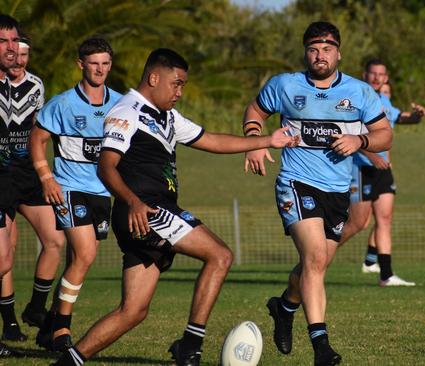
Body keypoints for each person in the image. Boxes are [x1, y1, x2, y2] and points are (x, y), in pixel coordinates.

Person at [51, 47, 298, 366]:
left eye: (182, 84)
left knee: (133, 312)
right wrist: (133, 201)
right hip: (146, 211)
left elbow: (212, 141)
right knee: (220, 255)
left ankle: (69, 361)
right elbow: (106, 166)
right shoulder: (127, 113)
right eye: (176, 83)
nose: (180, 91)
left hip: (149, 212)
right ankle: (190, 347)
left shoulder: (166, 117)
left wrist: (267, 141)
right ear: (154, 77)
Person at [243, 22, 392, 366]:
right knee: (314, 258)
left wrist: (360, 141)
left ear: (338, 53)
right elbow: (255, 111)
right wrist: (254, 141)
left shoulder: (359, 92)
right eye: (313, 49)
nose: (319, 55)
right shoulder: (284, 85)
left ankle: (284, 308)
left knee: (318, 261)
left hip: (338, 191)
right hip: (296, 183)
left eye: (326, 49)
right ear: (305, 52)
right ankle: (321, 346)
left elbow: (385, 135)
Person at [29, 37, 122, 351]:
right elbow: (36, 140)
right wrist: (46, 178)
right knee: (85, 255)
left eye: (105, 63)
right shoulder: (63, 103)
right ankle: (62, 331)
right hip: (69, 189)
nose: (100, 70)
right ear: (81, 64)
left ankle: (47, 324)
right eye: (94, 63)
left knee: (80, 260)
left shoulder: (120, 104)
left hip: (101, 193)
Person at [2, 36, 67, 341]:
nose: (20, 59)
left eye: (25, 54)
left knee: (55, 239)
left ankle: (36, 307)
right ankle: (9, 322)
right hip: (2, 175)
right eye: (15, 53)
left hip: (28, 174)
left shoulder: (36, 86)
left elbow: (38, 131)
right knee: (6, 254)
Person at [341, 59, 425, 286]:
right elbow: (351, 136)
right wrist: (374, 156)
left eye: (381, 74)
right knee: (358, 224)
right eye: (373, 74)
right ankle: (320, 251)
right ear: (365, 75)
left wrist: (416, 116)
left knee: (385, 219)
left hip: (384, 169)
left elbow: (400, 118)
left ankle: (386, 275)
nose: (377, 78)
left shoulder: (385, 101)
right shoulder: (356, 99)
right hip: (362, 167)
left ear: (386, 78)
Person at [0, 12, 25, 358]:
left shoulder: (6, 82)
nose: (11, 48)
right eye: (3, 41)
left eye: (13, 41)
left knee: (4, 257)